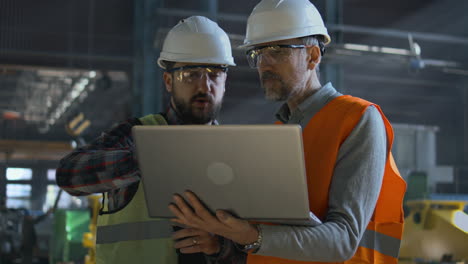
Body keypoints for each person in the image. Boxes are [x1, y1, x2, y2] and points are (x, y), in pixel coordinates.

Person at [168, 1, 407, 264]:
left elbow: (343, 240)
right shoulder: (278, 134)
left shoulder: (357, 119)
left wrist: (249, 234)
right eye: (258, 53)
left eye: (277, 51)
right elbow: (268, 239)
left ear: (313, 56)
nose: (264, 64)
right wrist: (220, 243)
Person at [56, 16, 235, 264]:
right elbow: (69, 176)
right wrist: (150, 158)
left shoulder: (236, 151)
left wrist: (220, 248)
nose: (204, 86)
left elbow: (253, 241)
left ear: (225, 82)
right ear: (169, 81)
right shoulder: (136, 134)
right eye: (191, 75)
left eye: (215, 74)